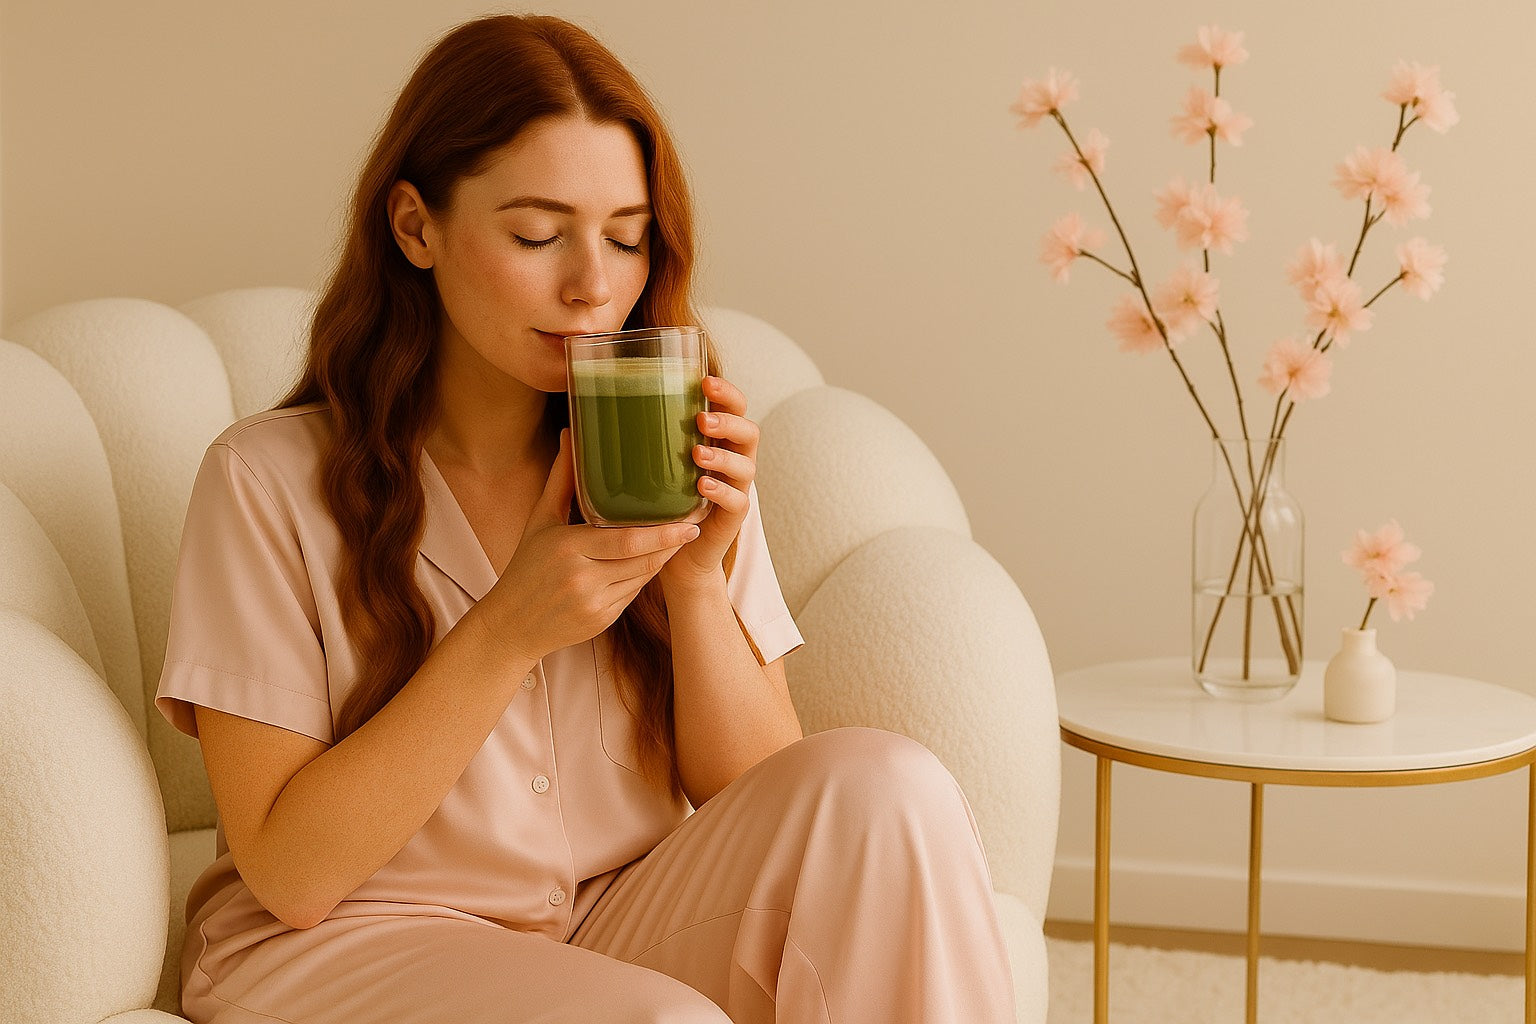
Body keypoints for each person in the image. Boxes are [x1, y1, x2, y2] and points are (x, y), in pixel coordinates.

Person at [154, 13, 1016, 1024]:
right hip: (341, 944)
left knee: (890, 788)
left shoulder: (659, 443)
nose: (593, 285)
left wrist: (697, 582)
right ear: (414, 226)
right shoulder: (266, 483)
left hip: (610, 923)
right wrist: (509, 626)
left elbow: (770, 806)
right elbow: (293, 874)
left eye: (625, 237)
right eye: (535, 234)